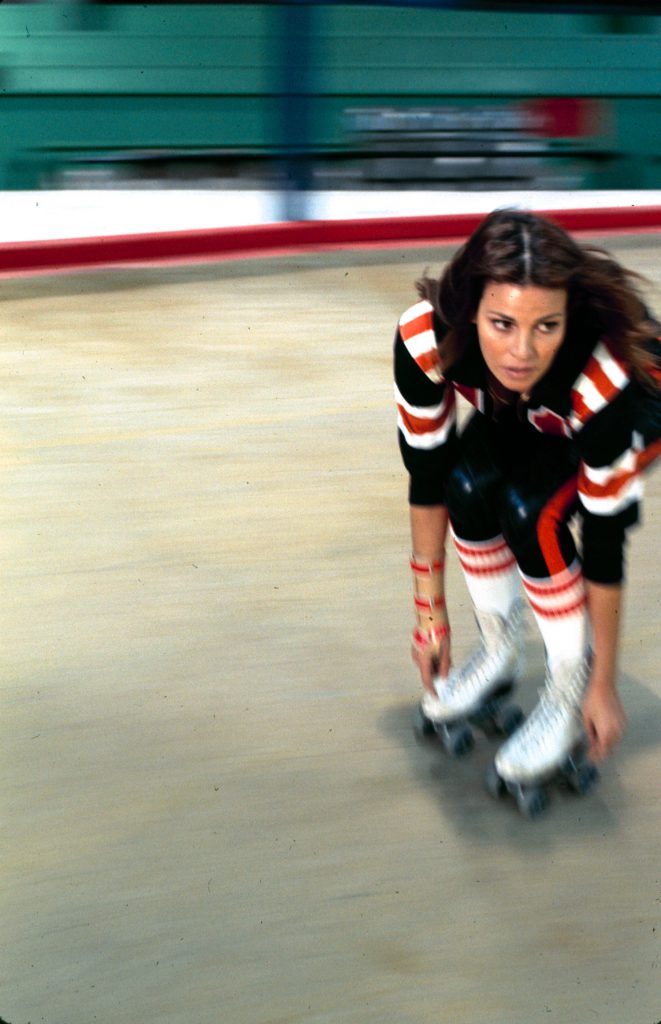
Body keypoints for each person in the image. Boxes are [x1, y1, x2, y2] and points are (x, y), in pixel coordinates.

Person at [394, 208, 661, 787]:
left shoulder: (602, 373)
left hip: (635, 402)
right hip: (535, 407)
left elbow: (606, 543)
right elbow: (428, 476)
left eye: (547, 325)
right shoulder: (425, 340)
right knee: (465, 486)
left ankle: (566, 692)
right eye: (502, 323)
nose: (522, 351)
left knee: (530, 512)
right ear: (469, 309)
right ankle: (499, 653)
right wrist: (429, 615)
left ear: (567, 319)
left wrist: (603, 687)